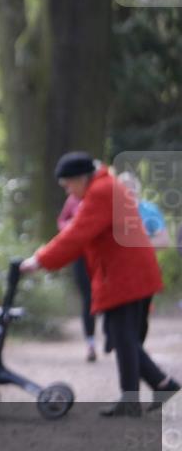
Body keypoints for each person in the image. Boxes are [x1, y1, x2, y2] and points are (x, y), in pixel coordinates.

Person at [21, 151, 180, 416]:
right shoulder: (106, 187)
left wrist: (39, 260)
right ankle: (153, 389)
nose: (68, 191)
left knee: (123, 338)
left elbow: (76, 234)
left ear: (81, 178)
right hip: (129, 272)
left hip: (125, 275)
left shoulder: (101, 192)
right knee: (123, 337)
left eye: (68, 184)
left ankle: (146, 393)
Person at [57, 193, 97, 361]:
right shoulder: (73, 199)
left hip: (100, 256)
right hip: (80, 256)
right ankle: (91, 343)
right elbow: (62, 220)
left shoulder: (98, 196)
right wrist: (71, 227)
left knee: (106, 297)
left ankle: (114, 338)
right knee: (88, 299)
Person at [117, 171, 171, 247]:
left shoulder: (149, 209)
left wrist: (139, 246)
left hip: (143, 256)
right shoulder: (112, 213)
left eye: (131, 185)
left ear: (137, 187)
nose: (128, 189)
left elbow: (164, 240)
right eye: (123, 186)